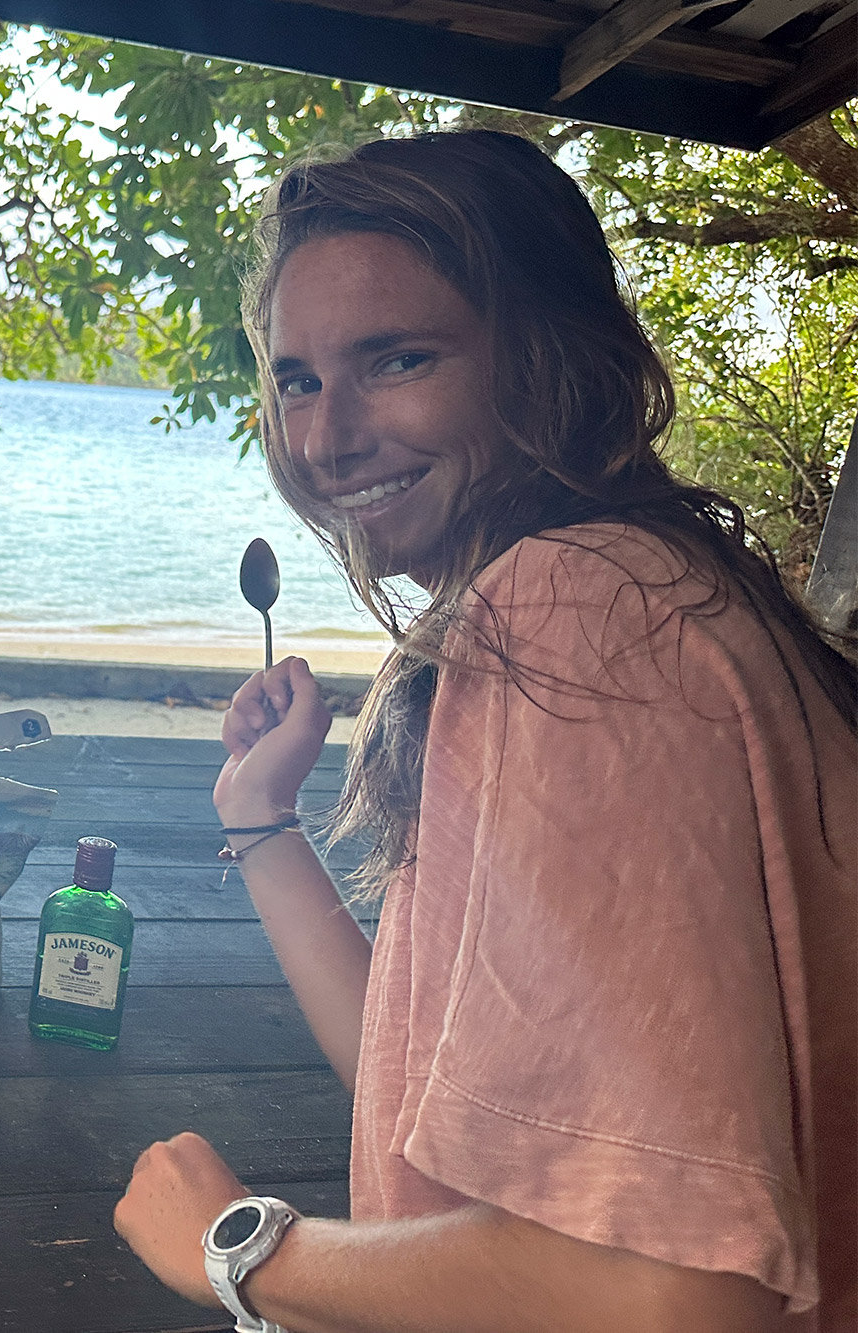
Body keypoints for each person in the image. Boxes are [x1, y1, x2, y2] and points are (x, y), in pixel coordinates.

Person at [112, 130, 857, 1333]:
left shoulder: (574, 616)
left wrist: (238, 1250)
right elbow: (434, 1105)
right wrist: (260, 819)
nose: (321, 437)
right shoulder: (666, 587)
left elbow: (669, 1293)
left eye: (397, 359)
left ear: (550, 361)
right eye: (295, 378)